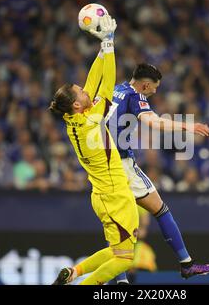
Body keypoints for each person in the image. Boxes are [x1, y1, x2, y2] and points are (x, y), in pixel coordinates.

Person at [50, 15, 139, 285]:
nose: (86, 91)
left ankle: (74, 274)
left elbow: (92, 83)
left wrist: (103, 48)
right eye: (80, 93)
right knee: (125, 258)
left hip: (101, 195)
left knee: (117, 251)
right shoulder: (91, 120)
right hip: (115, 194)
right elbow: (107, 84)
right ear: (77, 105)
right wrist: (110, 47)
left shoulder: (72, 117)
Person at [107, 63, 209, 284]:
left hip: (102, 165)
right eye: (154, 87)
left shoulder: (114, 89)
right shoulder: (136, 96)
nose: (154, 91)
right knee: (161, 210)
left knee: (117, 223)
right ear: (145, 84)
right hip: (122, 164)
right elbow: (154, 122)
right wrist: (188, 126)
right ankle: (186, 264)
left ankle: (120, 280)